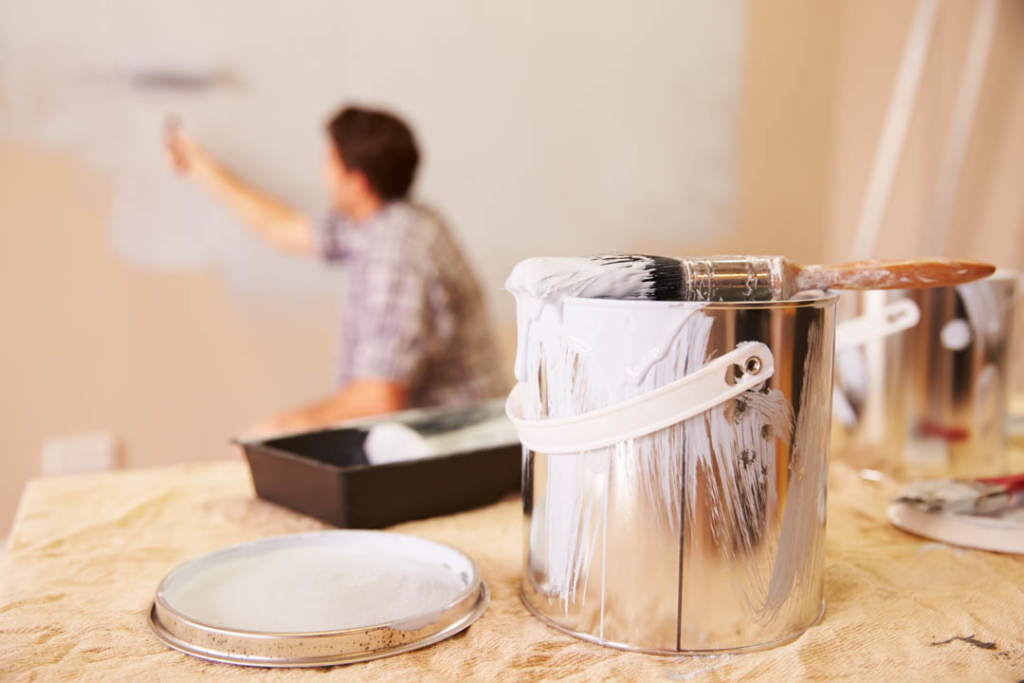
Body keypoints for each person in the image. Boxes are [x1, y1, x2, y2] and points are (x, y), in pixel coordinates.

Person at [166, 106, 506, 435]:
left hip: (459, 447)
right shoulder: (385, 222)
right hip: (435, 441)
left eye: (329, 162)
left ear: (357, 183)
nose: (323, 173)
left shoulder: (396, 254)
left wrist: (282, 430)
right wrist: (198, 165)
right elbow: (283, 228)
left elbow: (379, 398)